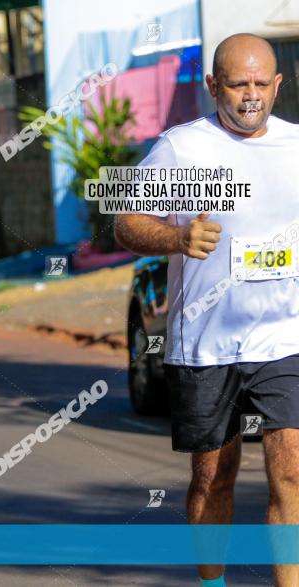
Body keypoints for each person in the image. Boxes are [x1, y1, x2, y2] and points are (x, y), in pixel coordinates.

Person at [115, 33, 299, 587]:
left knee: (291, 470)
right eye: (237, 84)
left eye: (260, 83)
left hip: (283, 337)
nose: (250, 95)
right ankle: (212, 581)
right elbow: (125, 224)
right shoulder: (182, 148)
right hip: (206, 342)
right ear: (213, 85)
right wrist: (177, 237)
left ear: (278, 84)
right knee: (213, 480)